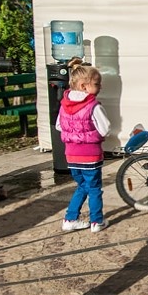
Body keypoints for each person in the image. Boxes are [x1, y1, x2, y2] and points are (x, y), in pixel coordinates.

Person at [57, 57, 110, 233]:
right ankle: (97, 221)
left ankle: (70, 218)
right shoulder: (93, 105)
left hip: (71, 155)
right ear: (83, 86)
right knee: (94, 188)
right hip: (90, 155)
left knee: (82, 186)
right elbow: (105, 128)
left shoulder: (64, 105)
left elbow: (59, 126)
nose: (99, 87)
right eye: (97, 83)